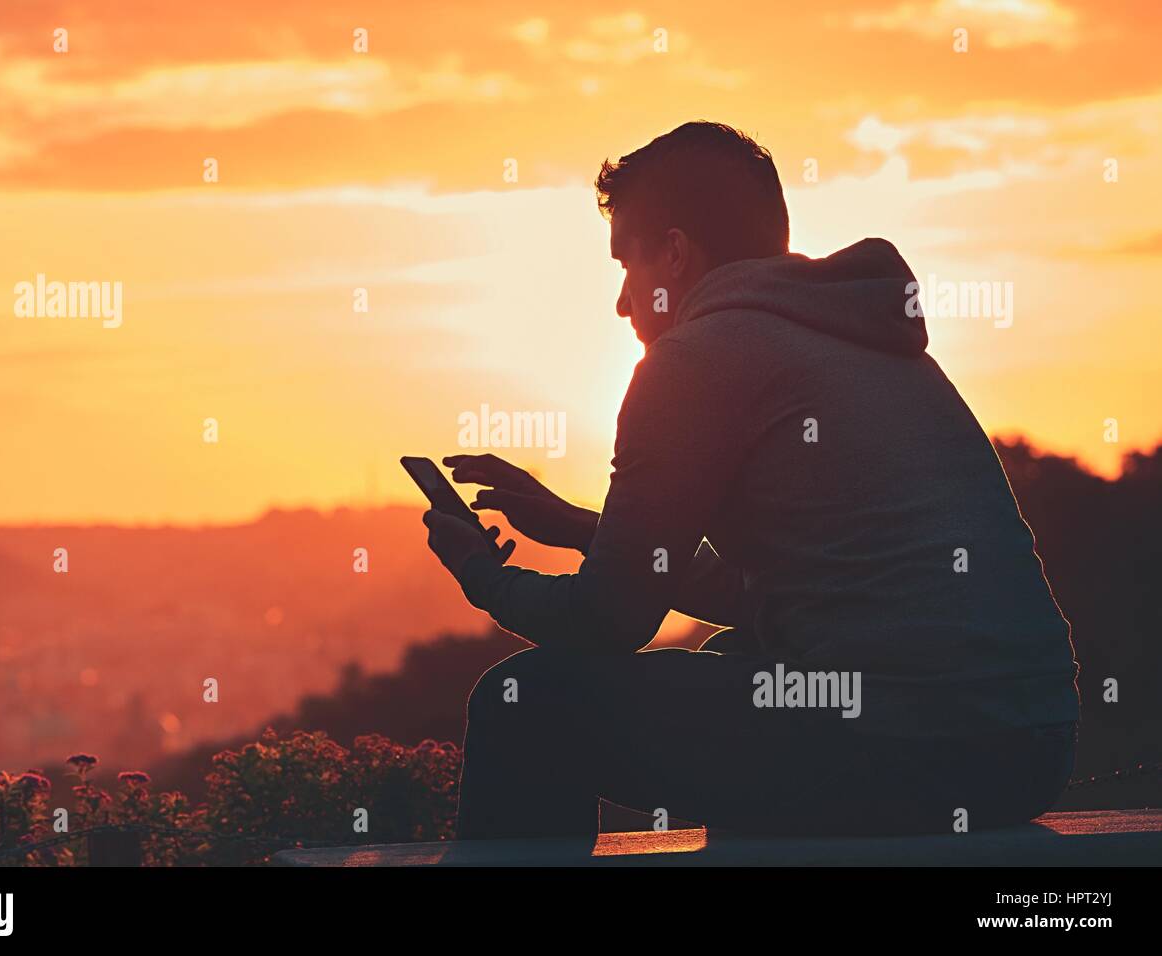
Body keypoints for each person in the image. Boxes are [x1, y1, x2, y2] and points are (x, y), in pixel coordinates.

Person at [420, 121, 1080, 841]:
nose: (620, 301)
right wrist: (587, 530)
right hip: (1030, 744)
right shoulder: (865, 338)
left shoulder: (694, 360)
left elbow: (606, 622)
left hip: (907, 743)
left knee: (523, 703)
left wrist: (485, 577)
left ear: (673, 253)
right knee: (734, 661)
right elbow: (780, 595)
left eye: (625, 264)